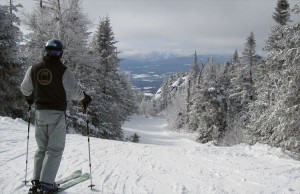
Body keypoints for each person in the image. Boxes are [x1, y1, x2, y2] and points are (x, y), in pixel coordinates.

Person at [21, 39, 92, 194]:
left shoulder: (34, 68)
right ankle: (46, 185)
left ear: (45, 51)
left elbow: (25, 89)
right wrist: (84, 98)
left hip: (40, 113)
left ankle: (37, 181)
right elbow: (74, 92)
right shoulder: (63, 71)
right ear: (60, 53)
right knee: (54, 149)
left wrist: (30, 97)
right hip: (56, 114)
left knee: (41, 148)